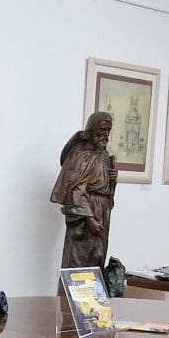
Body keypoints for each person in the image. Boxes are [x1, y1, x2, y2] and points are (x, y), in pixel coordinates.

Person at [49, 111, 117, 272]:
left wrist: (113, 180)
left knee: (98, 257)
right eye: (102, 129)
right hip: (86, 214)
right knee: (78, 263)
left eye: (108, 130)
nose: (105, 134)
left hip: (102, 211)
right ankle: (72, 290)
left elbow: (106, 192)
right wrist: (89, 219)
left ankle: (93, 290)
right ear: (92, 129)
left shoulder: (104, 156)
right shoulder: (79, 155)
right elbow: (74, 191)